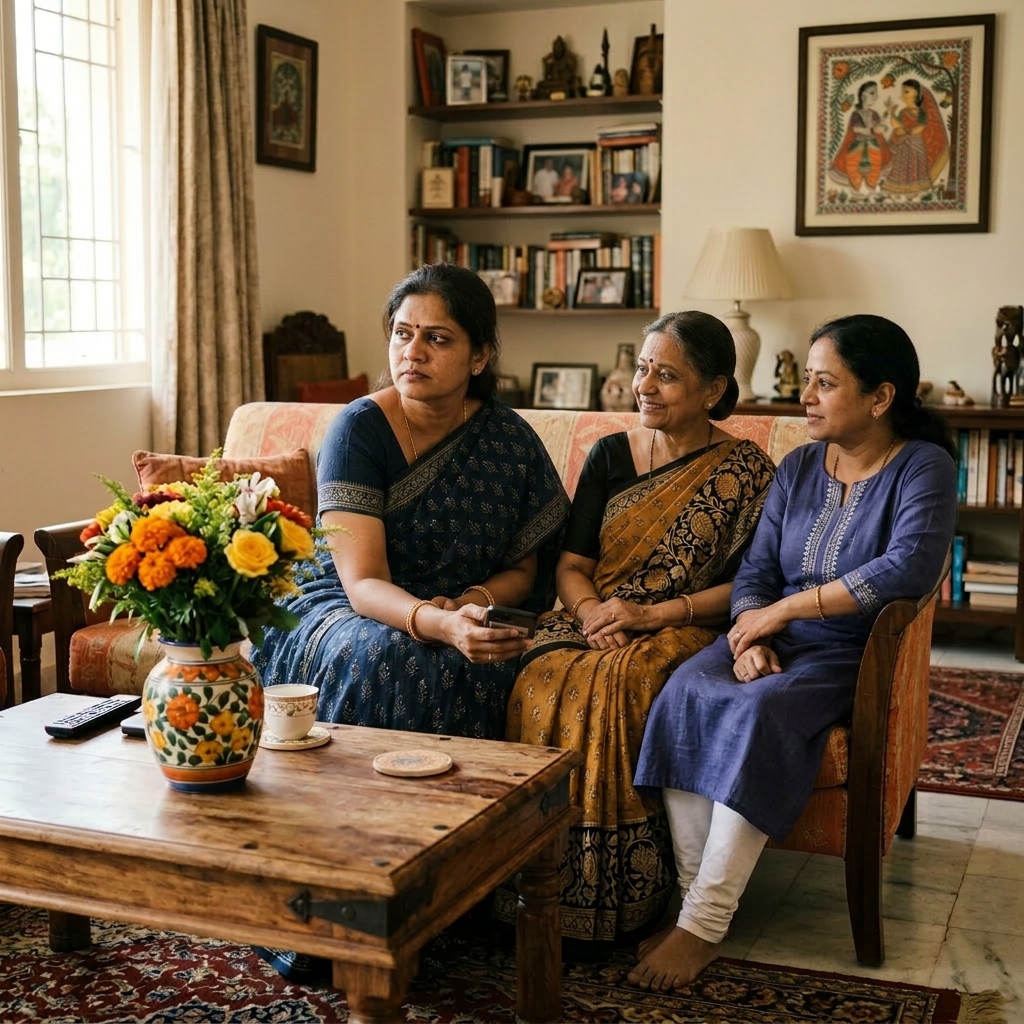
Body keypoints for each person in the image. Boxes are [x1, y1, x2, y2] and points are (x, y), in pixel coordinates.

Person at [250, 263, 569, 982]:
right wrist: (439, 622)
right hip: (341, 602)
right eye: (402, 333)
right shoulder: (359, 428)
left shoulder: (507, 438)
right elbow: (363, 581)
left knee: (495, 657)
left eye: (437, 338)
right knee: (388, 659)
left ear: (479, 356)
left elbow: (526, 568)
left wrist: (473, 603)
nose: (412, 352)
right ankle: (337, 903)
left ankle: (442, 897)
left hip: (453, 606)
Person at [628, 314, 958, 992]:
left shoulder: (923, 467)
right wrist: (751, 633)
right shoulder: (801, 466)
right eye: (806, 379)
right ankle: (695, 906)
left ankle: (705, 923)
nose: (805, 396)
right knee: (683, 692)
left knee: (761, 711)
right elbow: (756, 570)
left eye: (825, 383)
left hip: (851, 652)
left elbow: (906, 568)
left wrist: (782, 612)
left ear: (881, 397)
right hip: (770, 634)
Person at [500, 311, 776, 951]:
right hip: (593, 616)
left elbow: (750, 589)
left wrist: (651, 615)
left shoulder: (746, 471)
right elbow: (571, 566)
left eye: (667, 375)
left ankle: (627, 894)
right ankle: (529, 879)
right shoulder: (609, 455)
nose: (644, 385)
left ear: (713, 389)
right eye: (643, 369)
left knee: (623, 680)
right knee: (541, 669)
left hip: (685, 624)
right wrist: (594, 613)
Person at [881, 79, 949, 195]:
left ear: (916, 93)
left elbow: (919, 129)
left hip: (916, 145)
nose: (903, 95)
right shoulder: (903, 112)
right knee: (903, 167)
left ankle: (916, 191)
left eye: (906, 92)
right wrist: (892, 115)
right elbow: (897, 129)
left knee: (915, 167)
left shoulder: (921, 113)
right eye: (903, 92)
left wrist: (905, 130)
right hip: (903, 147)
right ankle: (901, 191)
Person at [829, 80, 891, 191]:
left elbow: (879, 127)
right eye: (872, 93)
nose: (876, 96)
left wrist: (883, 128)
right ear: (863, 95)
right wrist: (872, 130)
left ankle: (872, 188)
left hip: (873, 146)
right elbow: (856, 129)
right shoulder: (856, 114)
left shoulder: (874, 114)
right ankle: (856, 190)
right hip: (858, 145)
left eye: (876, 93)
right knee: (853, 167)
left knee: (875, 167)